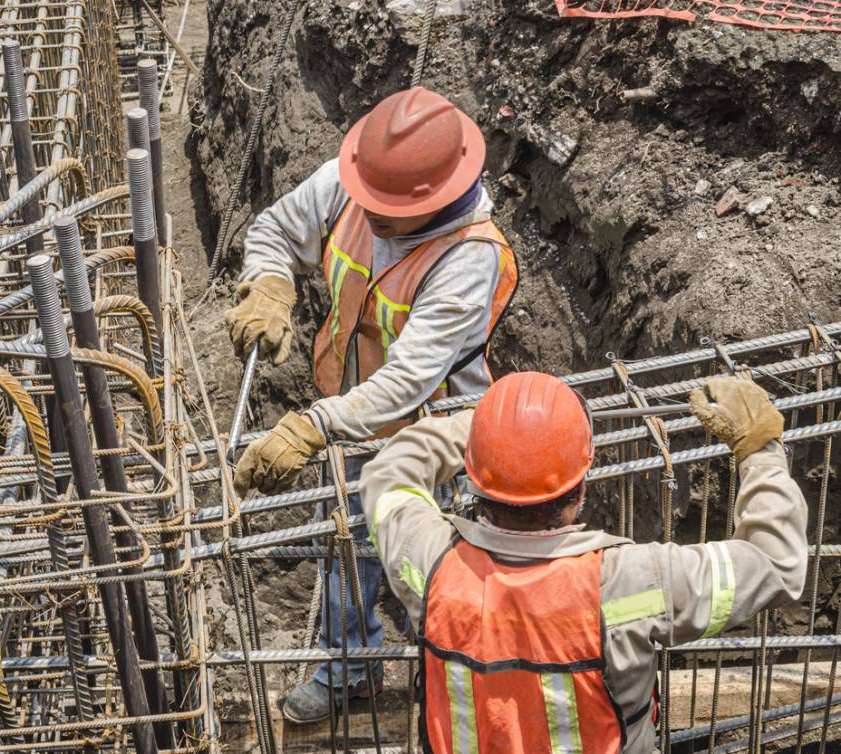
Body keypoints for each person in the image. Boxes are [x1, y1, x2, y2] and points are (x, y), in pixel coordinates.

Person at [224, 86, 519, 722]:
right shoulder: (359, 183)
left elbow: (409, 380)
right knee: (349, 548)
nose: (368, 215)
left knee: (435, 561)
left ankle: (447, 668)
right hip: (357, 417)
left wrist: (311, 427)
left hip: (439, 436)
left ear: (433, 200)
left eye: (387, 212)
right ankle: (350, 669)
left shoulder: (469, 258)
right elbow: (276, 227)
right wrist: (271, 281)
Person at [361, 371, 808, 752]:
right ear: (580, 489)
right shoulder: (630, 580)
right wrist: (760, 450)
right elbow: (778, 562)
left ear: (476, 479)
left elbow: (391, 469)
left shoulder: (429, 560)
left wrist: (491, 430)